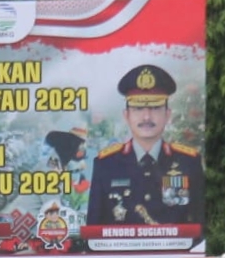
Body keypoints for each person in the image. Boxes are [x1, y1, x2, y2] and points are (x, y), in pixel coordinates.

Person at [86, 64, 205, 228]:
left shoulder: (188, 162)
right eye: (138, 108)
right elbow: (94, 230)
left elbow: (200, 225)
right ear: (126, 115)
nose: (147, 116)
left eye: (155, 108)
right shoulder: (106, 163)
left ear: (167, 115)